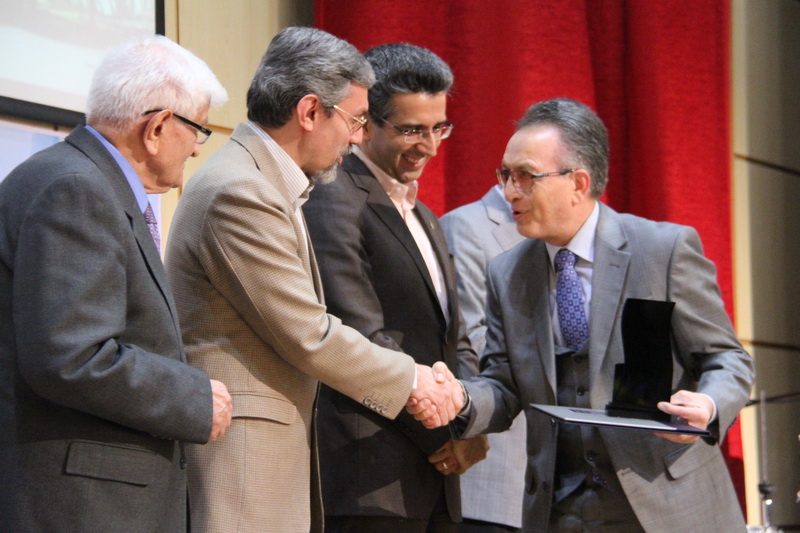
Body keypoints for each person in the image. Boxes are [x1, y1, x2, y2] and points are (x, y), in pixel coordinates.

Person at [164, 27, 463, 533]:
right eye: (356, 120)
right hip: (242, 461)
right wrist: (415, 381)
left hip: (268, 456)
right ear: (309, 112)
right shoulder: (242, 191)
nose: (357, 137)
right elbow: (308, 333)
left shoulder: (265, 184)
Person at [412, 98, 755, 532]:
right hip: (560, 510)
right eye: (505, 175)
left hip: (668, 506)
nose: (510, 191)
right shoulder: (507, 273)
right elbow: (503, 383)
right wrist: (458, 399)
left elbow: (728, 359)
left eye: (526, 176)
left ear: (578, 183)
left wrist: (708, 404)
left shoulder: (662, 250)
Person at [0, 35, 233, 532]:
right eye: (198, 129)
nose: (198, 147)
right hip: (84, 504)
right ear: (157, 127)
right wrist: (193, 398)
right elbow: (73, 356)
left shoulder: (76, 179)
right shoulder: (76, 189)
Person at [303, 43, 486, 533]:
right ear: (365, 123)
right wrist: (444, 430)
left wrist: (469, 420)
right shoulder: (333, 195)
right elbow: (358, 332)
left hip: (436, 476)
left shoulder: (425, 215)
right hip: (367, 478)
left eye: (438, 128)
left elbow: (453, 337)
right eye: (411, 130)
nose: (429, 146)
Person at [440, 186, 527, 533]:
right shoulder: (466, 226)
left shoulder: (571, 239)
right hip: (497, 473)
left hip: (565, 484)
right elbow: (467, 339)